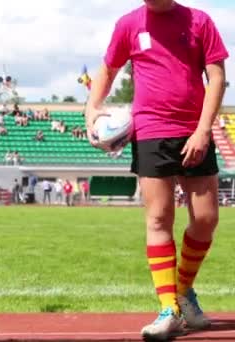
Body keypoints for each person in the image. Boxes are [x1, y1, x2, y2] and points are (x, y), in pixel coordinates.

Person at [85, 0, 228, 339]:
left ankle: (182, 291)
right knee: (159, 218)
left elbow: (218, 77)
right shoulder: (129, 24)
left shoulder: (200, 21)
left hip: (195, 129)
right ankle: (169, 310)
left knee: (206, 219)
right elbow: (107, 70)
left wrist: (203, 130)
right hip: (150, 131)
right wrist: (92, 108)